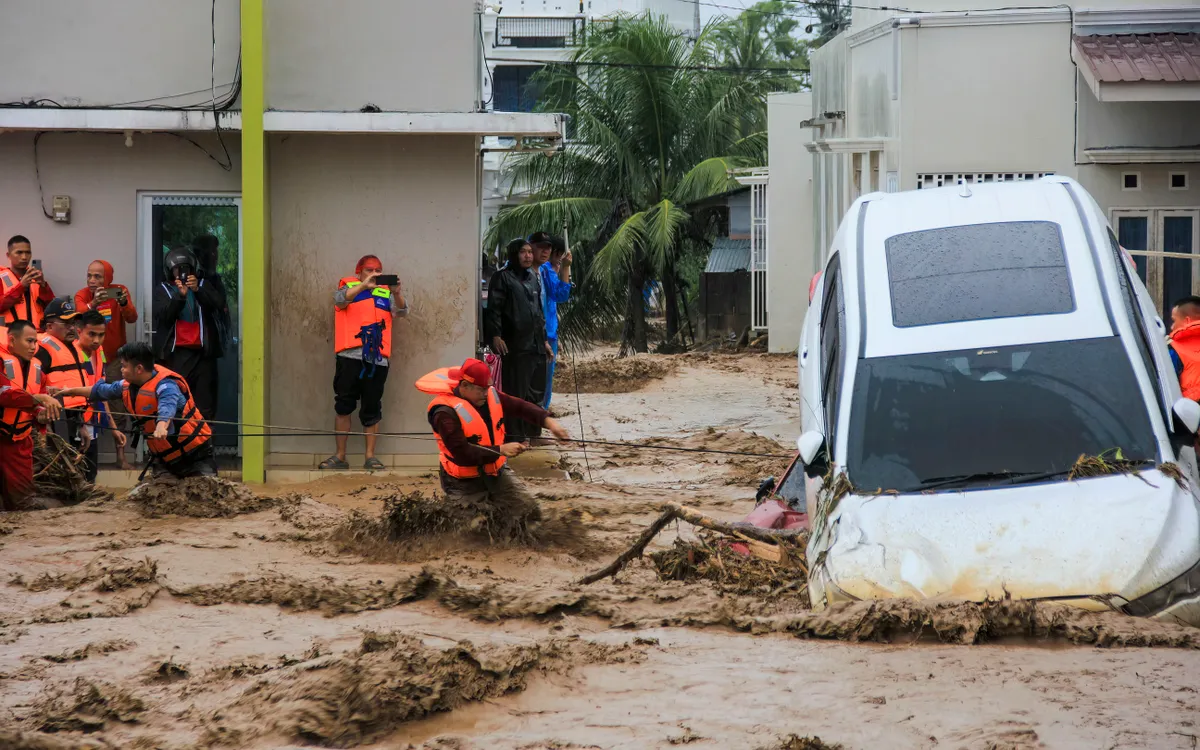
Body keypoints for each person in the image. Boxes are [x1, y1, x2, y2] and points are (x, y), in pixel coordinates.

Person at [416, 357, 569, 504]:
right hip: (461, 481)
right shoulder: (444, 413)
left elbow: (519, 407)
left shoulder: (489, 395)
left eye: (487, 388)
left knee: (528, 508)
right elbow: (462, 453)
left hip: (496, 472)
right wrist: (501, 450)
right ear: (465, 385)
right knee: (477, 520)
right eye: (481, 389)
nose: (486, 393)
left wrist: (549, 422)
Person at [54, 341, 214, 479]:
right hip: (165, 459)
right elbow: (100, 391)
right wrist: (69, 391)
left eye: (124, 366)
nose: (121, 370)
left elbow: (168, 406)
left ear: (139, 368)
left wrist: (161, 425)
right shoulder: (126, 386)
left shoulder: (167, 385)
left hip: (195, 456)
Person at [320, 254, 409, 471]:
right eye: (369, 270)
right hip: (349, 357)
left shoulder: (385, 292)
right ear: (358, 271)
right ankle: (340, 456)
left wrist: (397, 293)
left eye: (378, 270)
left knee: (372, 407)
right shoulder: (348, 287)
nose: (374, 274)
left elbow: (402, 312)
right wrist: (363, 286)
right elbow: (339, 301)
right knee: (344, 405)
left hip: (377, 360)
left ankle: (370, 456)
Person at [484, 239, 549, 440]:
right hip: (515, 345)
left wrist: (545, 341)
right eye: (523, 252)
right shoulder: (502, 277)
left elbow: (538, 312)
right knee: (515, 394)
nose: (528, 256)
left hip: (536, 345)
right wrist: (496, 335)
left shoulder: (533, 278)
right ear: (514, 254)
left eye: (530, 251)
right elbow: (494, 309)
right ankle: (515, 436)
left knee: (536, 394)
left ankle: (533, 434)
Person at [76, 260, 137, 470]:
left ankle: (121, 456)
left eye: (98, 276)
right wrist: (93, 303)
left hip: (114, 361)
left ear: (108, 278)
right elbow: (79, 316)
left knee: (119, 407)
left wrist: (123, 302)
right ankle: (83, 459)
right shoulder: (83, 294)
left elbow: (132, 317)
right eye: (89, 275)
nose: (92, 280)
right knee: (85, 405)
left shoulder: (119, 291)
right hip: (87, 358)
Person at [153, 245, 226, 422]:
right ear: (170, 270)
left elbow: (218, 305)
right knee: (177, 402)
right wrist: (180, 296)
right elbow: (165, 317)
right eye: (178, 269)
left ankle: (205, 439)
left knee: (205, 406)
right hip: (176, 355)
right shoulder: (163, 289)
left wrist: (198, 291)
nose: (182, 273)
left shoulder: (202, 285)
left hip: (203, 355)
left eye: (186, 268)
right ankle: (177, 439)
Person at [0, 320, 62, 510]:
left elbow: (37, 407)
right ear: (12, 340)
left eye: (35, 342)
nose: (34, 347)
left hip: (19, 442)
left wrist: (41, 414)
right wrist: (38, 399)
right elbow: (4, 395)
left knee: (23, 503)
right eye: (29, 341)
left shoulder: (38, 372)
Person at [36, 297, 94, 472]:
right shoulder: (41, 350)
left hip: (73, 418)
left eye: (73, 323)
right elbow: (34, 389)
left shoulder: (75, 348)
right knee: (55, 469)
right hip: (53, 420)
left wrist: (81, 425)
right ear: (49, 326)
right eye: (66, 323)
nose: (72, 328)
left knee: (72, 466)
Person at [74, 310, 126, 480]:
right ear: (79, 331)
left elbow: (100, 392)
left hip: (92, 423)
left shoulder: (99, 352)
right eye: (91, 334)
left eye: (101, 335)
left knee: (91, 473)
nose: (96, 340)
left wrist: (113, 429)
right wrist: (80, 425)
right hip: (74, 425)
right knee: (77, 474)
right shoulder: (71, 355)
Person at [529, 232, 573, 409]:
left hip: (548, 331)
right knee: (543, 380)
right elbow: (560, 294)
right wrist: (566, 269)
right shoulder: (546, 270)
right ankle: (540, 412)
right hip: (544, 332)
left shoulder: (545, 270)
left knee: (543, 379)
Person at [0, 235, 55, 328]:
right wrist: (21, 287)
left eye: (28, 252)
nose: (24, 257)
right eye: (19, 252)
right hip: (10, 333)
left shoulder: (36, 278)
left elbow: (52, 308)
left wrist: (43, 286)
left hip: (37, 332)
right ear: (8, 255)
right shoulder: (2, 278)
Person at [1169, 296, 1200, 396]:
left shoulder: (1175, 350)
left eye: (1174, 321)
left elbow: (1166, 387)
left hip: (1188, 404)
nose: (1172, 327)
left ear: (1187, 321)